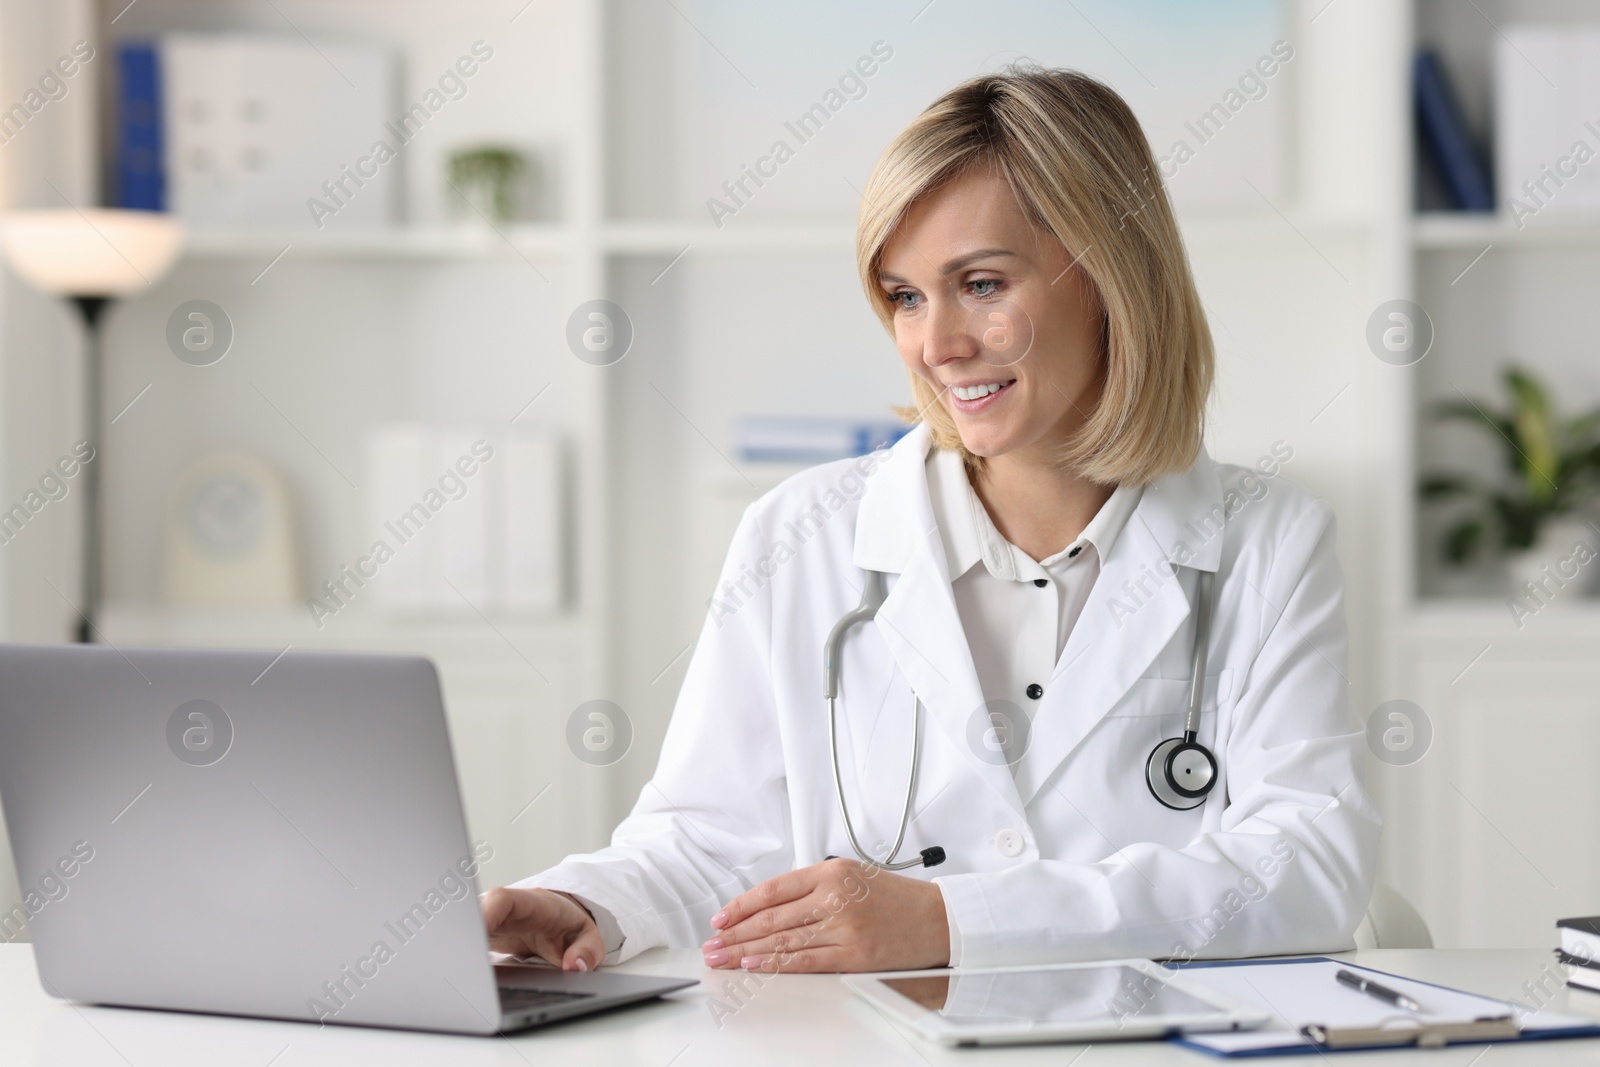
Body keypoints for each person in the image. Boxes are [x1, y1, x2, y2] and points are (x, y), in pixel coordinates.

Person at [481, 66, 1379, 975]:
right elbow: (708, 838)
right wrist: (582, 903)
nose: (935, 344)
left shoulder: (1268, 542)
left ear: (1111, 275)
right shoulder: (802, 532)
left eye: (981, 284)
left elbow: (1307, 868)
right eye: (906, 295)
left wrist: (954, 922)